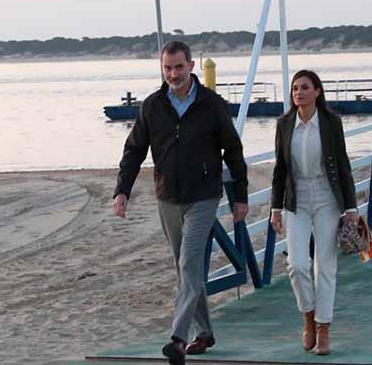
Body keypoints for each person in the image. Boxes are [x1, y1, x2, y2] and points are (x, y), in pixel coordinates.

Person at [113, 41, 249, 365]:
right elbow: (134, 151)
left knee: (190, 263)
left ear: (191, 65)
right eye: (167, 68)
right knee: (184, 268)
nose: (173, 74)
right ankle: (205, 333)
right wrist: (122, 191)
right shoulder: (152, 106)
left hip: (203, 195)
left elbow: (233, 149)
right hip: (167, 196)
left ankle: (178, 338)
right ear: (163, 69)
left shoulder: (211, 104)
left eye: (178, 67)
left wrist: (241, 195)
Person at [269, 70, 357, 357]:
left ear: (318, 91)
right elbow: (279, 170)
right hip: (296, 199)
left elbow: (343, 164)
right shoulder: (284, 124)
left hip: (326, 197)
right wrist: (275, 208)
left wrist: (351, 207)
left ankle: (323, 328)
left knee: (325, 266)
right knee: (296, 264)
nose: (299, 93)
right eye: (295, 88)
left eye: (305, 88)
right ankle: (307, 314)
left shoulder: (331, 123)